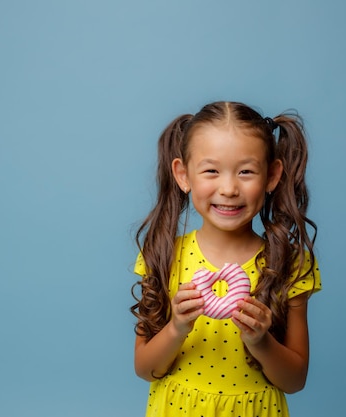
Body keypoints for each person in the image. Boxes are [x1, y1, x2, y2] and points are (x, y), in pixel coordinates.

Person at [131, 101, 321, 417]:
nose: (229, 188)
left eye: (246, 171)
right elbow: (144, 369)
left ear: (272, 176)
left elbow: (295, 381)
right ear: (183, 174)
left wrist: (261, 341)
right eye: (211, 171)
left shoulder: (291, 265)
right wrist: (177, 327)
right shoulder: (163, 256)